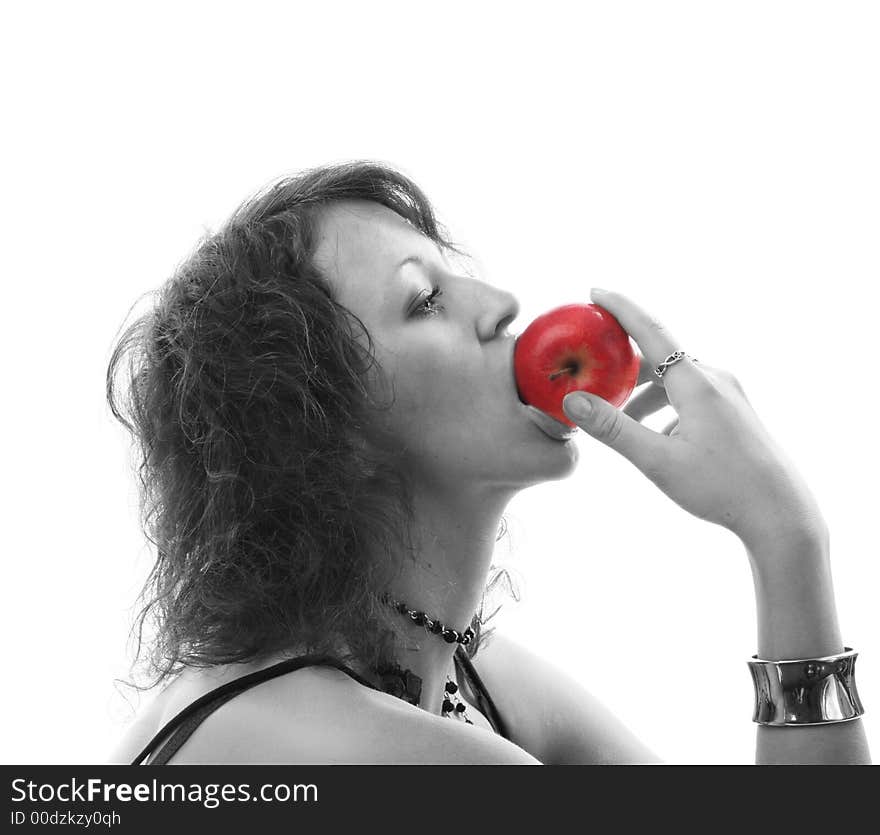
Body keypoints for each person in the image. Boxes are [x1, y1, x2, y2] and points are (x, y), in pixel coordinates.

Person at [106, 161, 870, 765]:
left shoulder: (461, 675)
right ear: (322, 432)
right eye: (425, 300)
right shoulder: (358, 748)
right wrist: (786, 539)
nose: (503, 303)